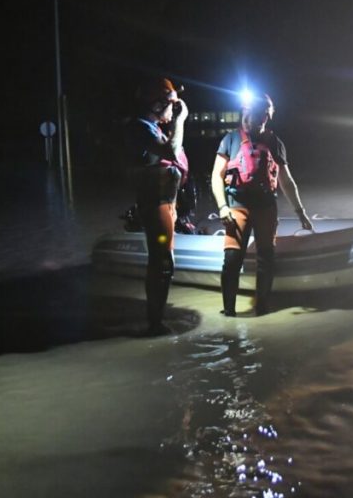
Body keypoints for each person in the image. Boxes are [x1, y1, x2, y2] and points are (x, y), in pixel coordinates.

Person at [211, 94, 313, 316]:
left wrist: (301, 213)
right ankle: (229, 311)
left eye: (255, 115)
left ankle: (262, 308)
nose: (249, 120)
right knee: (232, 259)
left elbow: (286, 181)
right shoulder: (230, 139)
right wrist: (222, 207)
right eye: (246, 114)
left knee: (266, 259)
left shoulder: (275, 143)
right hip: (237, 205)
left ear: (266, 116)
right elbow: (216, 176)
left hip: (266, 207)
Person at [126, 77, 189, 334]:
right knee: (161, 262)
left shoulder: (153, 128)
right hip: (155, 204)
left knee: (166, 262)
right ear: (156, 104)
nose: (173, 109)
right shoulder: (140, 128)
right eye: (171, 105)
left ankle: (157, 319)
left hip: (166, 204)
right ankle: (155, 324)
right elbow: (171, 152)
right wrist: (180, 120)